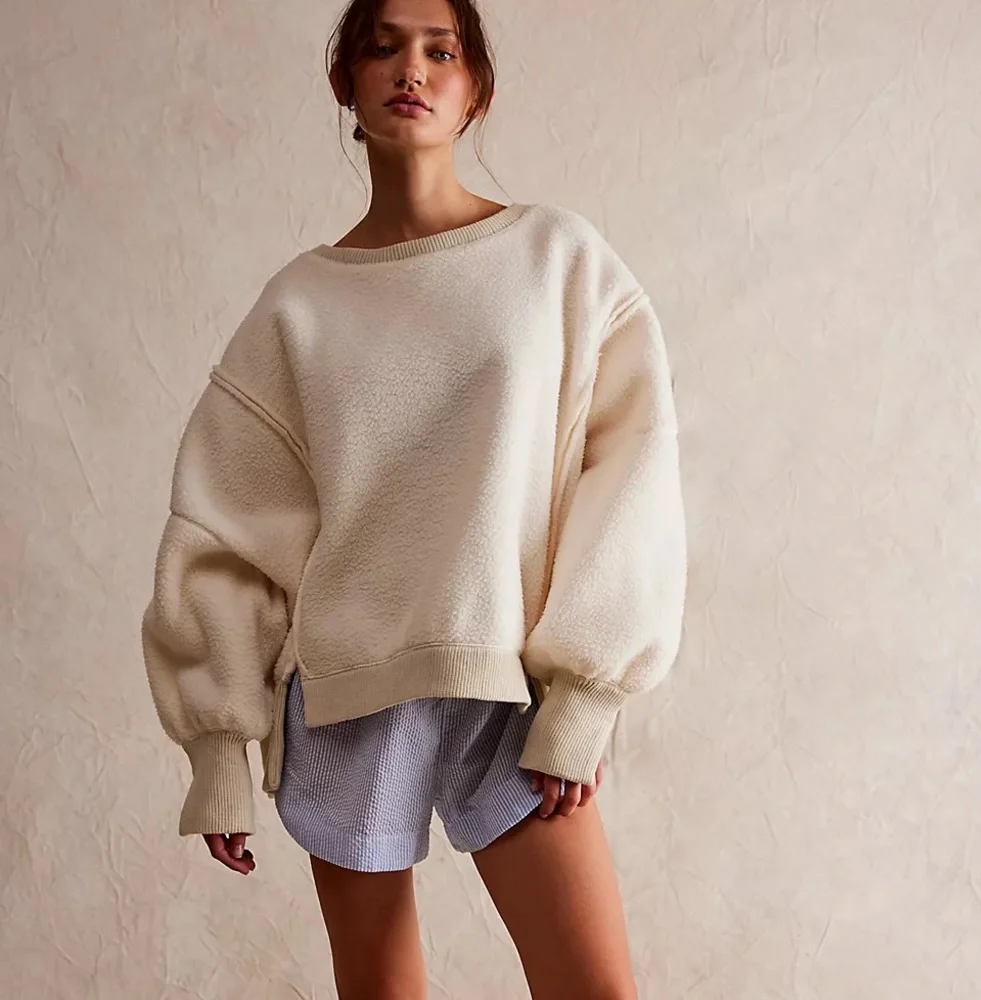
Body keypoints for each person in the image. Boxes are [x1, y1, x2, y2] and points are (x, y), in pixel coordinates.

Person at [140, 0, 687, 996]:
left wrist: (586, 694)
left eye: (442, 50)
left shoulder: (557, 261)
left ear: (477, 91)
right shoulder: (297, 307)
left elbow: (630, 465)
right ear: (343, 82)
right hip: (345, 691)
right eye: (382, 47)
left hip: (508, 684)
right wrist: (219, 745)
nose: (412, 69)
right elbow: (223, 530)